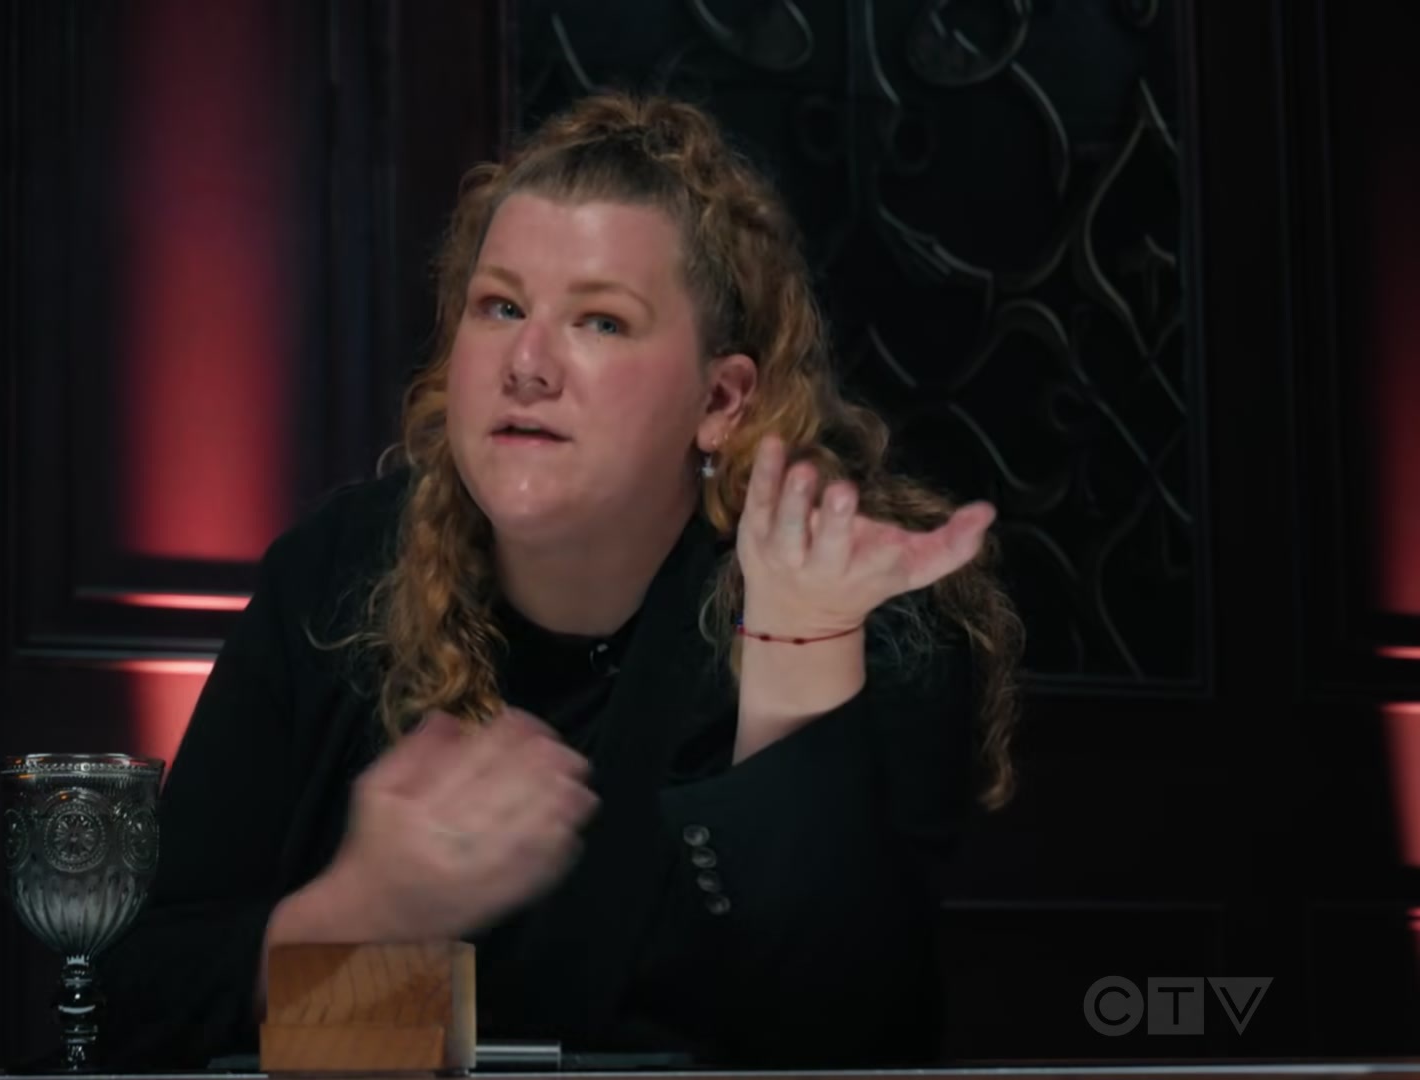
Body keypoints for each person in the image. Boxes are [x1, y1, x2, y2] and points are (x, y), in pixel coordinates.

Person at [101, 91, 1022, 1069]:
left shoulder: (855, 611)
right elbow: (135, 1009)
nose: (528, 364)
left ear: (720, 400)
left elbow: (852, 1048)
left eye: (602, 322)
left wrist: (795, 676)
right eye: (500, 308)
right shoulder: (336, 574)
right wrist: (362, 909)